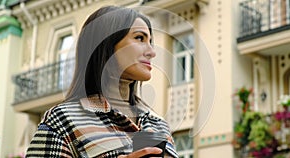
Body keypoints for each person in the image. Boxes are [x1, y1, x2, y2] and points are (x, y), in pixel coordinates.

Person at [26, 5, 178, 158]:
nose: (152, 52)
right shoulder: (62, 120)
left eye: (150, 41)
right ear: (106, 43)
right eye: (139, 38)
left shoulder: (158, 125)